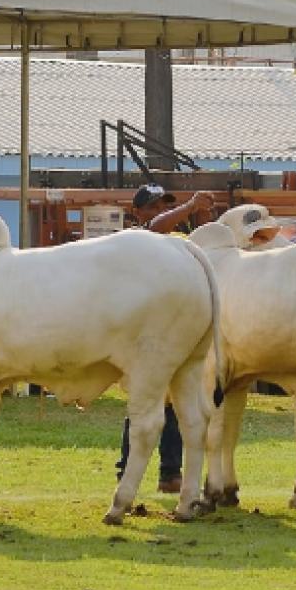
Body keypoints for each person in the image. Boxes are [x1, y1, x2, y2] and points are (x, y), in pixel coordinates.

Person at [115, 184, 216, 493]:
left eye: (163, 206)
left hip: (170, 328)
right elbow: (154, 228)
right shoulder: (134, 236)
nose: (160, 212)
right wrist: (189, 206)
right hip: (140, 331)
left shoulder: (176, 243)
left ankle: (170, 472)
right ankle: (128, 469)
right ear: (137, 213)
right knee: (143, 402)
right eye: (153, 206)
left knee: (175, 401)